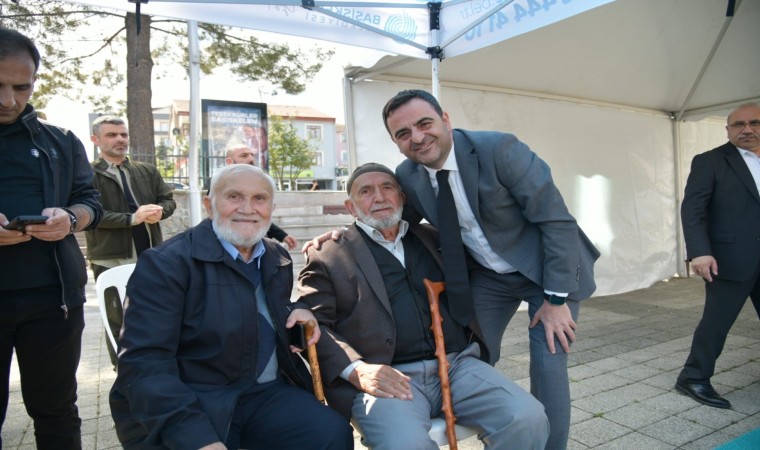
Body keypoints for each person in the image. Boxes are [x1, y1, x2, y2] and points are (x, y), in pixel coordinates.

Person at [299, 163, 549, 449]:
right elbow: (312, 324)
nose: (379, 197)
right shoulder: (329, 254)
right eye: (365, 191)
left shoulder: (434, 237)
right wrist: (357, 369)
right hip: (387, 375)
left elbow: (491, 260)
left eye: (387, 187)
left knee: (527, 418)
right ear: (351, 207)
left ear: (402, 197)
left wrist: (552, 297)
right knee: (405, 445)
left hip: (457, 365)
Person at [109, 164, 353, 449]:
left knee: (331, 434)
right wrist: (197, 438)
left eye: (259, 198)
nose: (247, 209)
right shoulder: (166, 263)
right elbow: (144, 363)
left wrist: (299, 309)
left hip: (264, 394)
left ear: (271, 208)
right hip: (190, 398)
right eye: (234, 196)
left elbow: (258, 309)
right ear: (209, 205)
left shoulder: (275, 257)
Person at [0, 28, 103, 449]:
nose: (8, 100)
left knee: (57, 410)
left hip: (54, 300)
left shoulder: (60, 141)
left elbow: (90, 201)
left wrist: (71, 219)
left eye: (21, 87)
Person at [675, 103, 760, 409]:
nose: (746, 129)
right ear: (727, 130)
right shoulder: (710, 161)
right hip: (729, 259)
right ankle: (693, 378)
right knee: (717, 323)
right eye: (738, 124)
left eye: (754, 123)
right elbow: (693, 209)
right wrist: (699, 252)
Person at [85, 115, 176, 367]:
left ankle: (155, 365)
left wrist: (160, 211)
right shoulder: (85, 173)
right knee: (116, 318)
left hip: (150, 255)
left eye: (123, 134)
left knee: (155, 312)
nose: (120, 139)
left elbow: (168, 200)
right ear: (95, 139)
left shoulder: (147, 170)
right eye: (111, 135)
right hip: (110, 258)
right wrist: (131, 219)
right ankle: (123, 370)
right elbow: (89, 214)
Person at [225, 144, 298, 250]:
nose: (251, 159)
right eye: (244, 155)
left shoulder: (257, 183)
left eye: (252, 155)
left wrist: (282, 235)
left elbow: (259, 216)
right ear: (229, 162)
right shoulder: (219, 187)